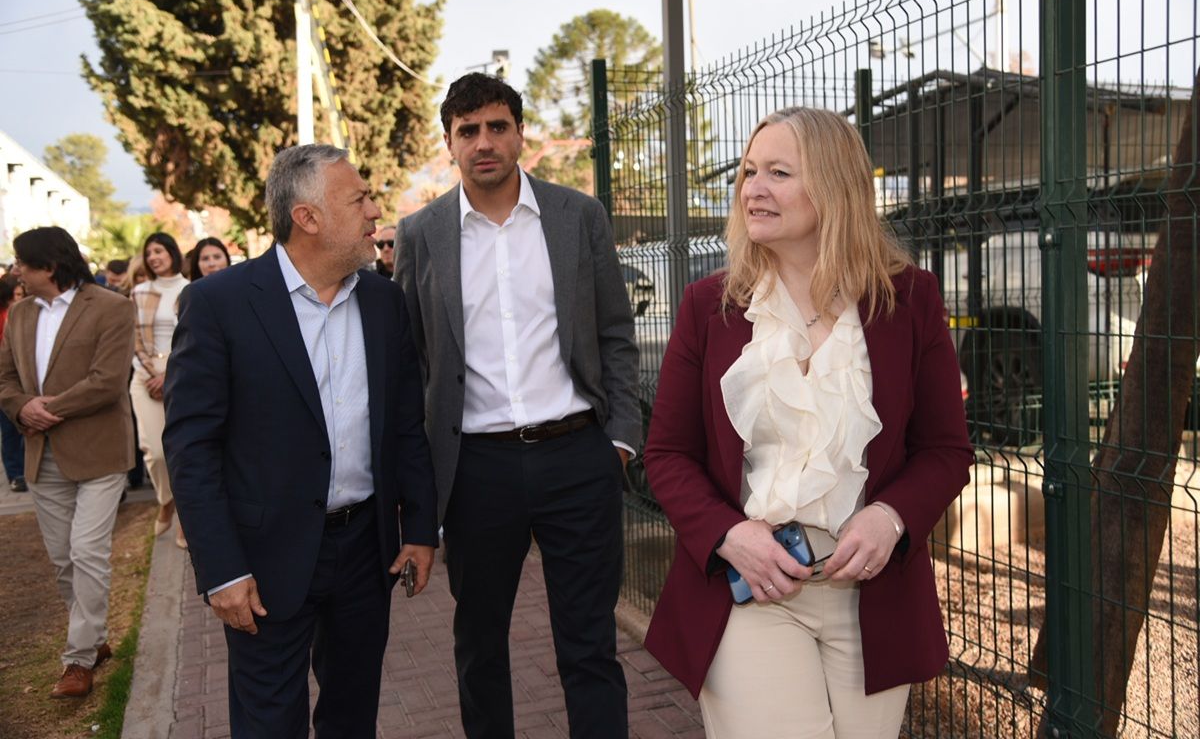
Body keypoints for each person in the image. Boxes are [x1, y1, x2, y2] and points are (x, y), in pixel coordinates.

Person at [641, 107, 973, 738]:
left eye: (778, 173)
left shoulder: (910, 300)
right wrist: (728, 535)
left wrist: (891, 516)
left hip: (871, 593)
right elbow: (667, 454)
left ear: (835, 186)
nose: (752, 189)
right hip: (754, 583)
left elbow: (946, 450)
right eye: (747, 172)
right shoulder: (709, 306)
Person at [394, 72, 640, 739]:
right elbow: (414, 359)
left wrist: (618, 440)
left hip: (578, 458)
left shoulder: (577, 216)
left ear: (519, 134)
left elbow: (615, 332)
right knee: (478, 645)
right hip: (475, 470)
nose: (484, 142)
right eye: (468, 130)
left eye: (497, 126)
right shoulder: (420, 234)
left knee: (589, 645)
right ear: (449, 143)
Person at [164, 144, 439, 738]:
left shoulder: (383, 302)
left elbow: (404, 425)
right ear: (307, 218)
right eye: (359, 199)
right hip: (264, 562)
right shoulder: (220, 304)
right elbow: (192, 448)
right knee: (269, 724)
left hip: (367, 553)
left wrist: (419, 528)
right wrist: (222, 570)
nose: (374, 213)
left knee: (351, 714)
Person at [0, 227, 136, 698]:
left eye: (21, 262)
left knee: (87, 552)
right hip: (42, 453)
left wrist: (46, 408)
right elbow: (6, 378)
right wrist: (20, 406)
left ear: (49, 267)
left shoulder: (113, 306)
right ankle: (94, 641)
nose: (15, 270)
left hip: (99, 453)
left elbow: (108, 381)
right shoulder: (19, 314)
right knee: (63, 561)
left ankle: (77, 661)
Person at [130, 232, 189, 548]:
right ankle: (167, 500)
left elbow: (192, 338)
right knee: (154, 451)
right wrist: (154, 373)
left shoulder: (191, 289)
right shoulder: (140, 291)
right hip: (144, 378)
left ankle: (185, 517)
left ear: (172, 252)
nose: (153, 257)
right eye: (148, 252)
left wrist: (168, 375)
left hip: (181, 378)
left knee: (182, 449)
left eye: (159, 250)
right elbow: (135, 338)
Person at [0, 274, 26, 491]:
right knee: (9, 429)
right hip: (6, 379)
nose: (19, 299)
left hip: (24, 377)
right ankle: (16, 473)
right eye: (16, 295)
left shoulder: (24, 313)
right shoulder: (6, 316)